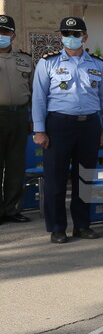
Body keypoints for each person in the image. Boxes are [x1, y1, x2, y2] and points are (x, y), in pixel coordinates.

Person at [31, 16, 103, 243]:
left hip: (89, 125)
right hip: (59, 125)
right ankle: (57, 228)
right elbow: (38, 99)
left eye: (75, 34)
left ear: (85, 37)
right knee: (55, 178)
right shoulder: (48, 62)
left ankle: (82, 226)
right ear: (60, 36)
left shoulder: (98, 64)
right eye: (66, 34)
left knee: (84, 178)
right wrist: (39, 130)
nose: (70, 38)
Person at [0, 14, 34, 224]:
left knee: (15, 165)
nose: (1, 35)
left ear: (13, 35)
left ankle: (11, 209)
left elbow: (33, 92)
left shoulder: (25, 59)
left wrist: (32, 118)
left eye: (5, 32)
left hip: (19, 116)